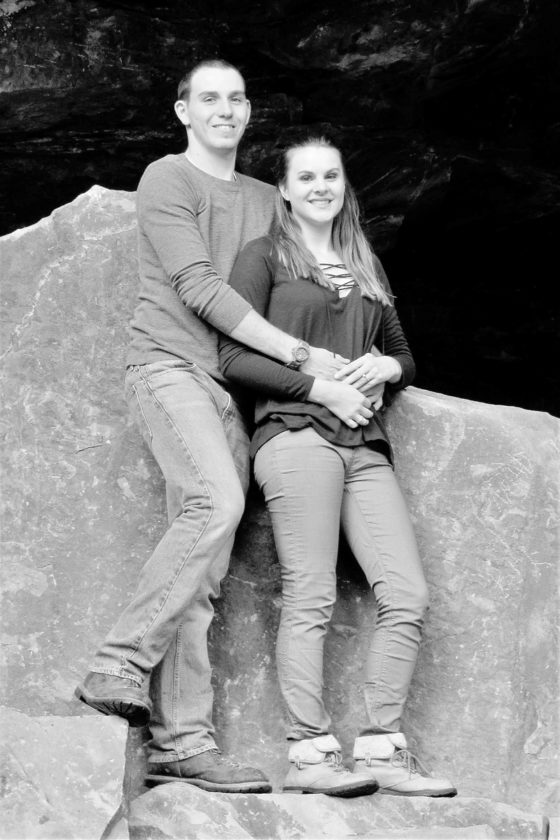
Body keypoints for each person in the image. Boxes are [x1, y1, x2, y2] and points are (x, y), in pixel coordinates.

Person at [74, 62, 373, 794]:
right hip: (169, 368)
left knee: (202, 572)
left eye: (237, 98)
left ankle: (181, 744)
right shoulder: (168, 178)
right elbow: (200, 288)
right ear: (183, 110)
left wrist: (373, 359)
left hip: (235, 394)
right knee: (215, 502)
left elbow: (311, 280)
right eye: (209, 97)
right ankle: (118, 660)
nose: (226, 109)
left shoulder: (271, 200)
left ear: (248, 111)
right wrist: (305, 359)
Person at [218, 136, 458, 798]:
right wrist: (322, 389)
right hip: (297, 436)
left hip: (364, 444)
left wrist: (385, 369)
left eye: (331, 176)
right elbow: (234, 357)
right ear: (284, 190)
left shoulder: (363, 260)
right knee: (312, 595)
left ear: (344, 186)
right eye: (306, 177)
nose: (320, 186)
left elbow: (403, 354)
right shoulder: (264, 255)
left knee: (407, 594)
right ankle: (310, 755)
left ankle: (382, 749)